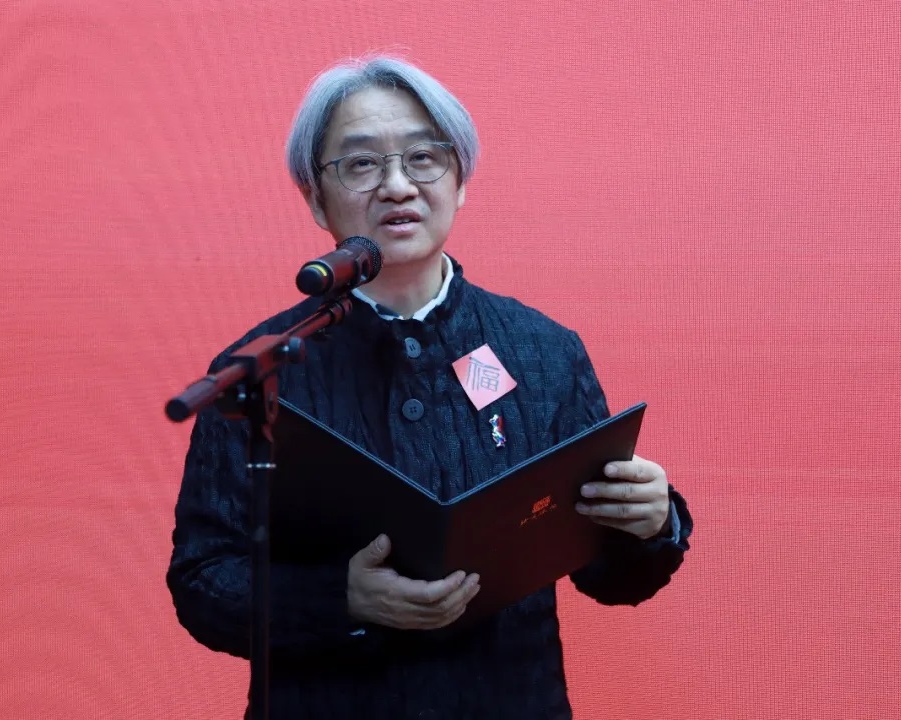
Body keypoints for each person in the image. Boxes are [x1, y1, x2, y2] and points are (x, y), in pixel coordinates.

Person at [166, 55, 693, 720]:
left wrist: (652, 523)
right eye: (361, 164)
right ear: (315, 198)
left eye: (423, 158)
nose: (397, 186)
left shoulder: (543, 352)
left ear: (459, 180)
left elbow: (611, 578)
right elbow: (203, 581)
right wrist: (341, 600)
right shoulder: (264, 371)